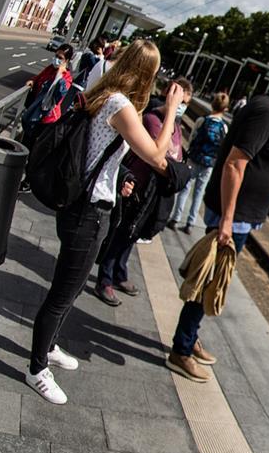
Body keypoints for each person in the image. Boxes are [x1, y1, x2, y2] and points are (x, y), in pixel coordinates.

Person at [26, 40, 186, 405]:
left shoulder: (108, 94)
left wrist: (121, 176)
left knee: (74, 285)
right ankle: (36, 368)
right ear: (147, 73)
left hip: (87, 206)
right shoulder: (122, 105)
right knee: (63, 294)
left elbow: (101, 151)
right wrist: (172, 110)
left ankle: (48, 347)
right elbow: (157, 153)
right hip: (87, 213)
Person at [166, 61, 269, 382]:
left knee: (213, 278)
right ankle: (180, 349)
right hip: (232, 219)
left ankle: (190, 338)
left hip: (238, 217)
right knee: (210, 279)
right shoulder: (265, 112)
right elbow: (235, 165)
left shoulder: (267, 109)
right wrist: (227, 217)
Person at [94, 77, 193, 307]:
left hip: (154, 192)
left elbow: (174, 156)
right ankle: (105, 279)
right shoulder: (152, 120)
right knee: (121, 234)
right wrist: (177, 170)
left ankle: (119, 273)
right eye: (179, 101)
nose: (181, 107)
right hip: (138, 187)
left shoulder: (175, 125)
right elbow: (160, 158)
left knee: (133, 234)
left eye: (185, 103)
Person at [168, 92, 230, 234]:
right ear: (225, 109)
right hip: (209, 164)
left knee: (185, 189)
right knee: (199, 193)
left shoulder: (202, 120)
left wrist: (189, 154)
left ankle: (175, 219)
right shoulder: (224, 128)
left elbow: (192, 138)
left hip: (194, 159)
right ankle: (190, 223)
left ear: (212, 104)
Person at [19, 44, 74, 193]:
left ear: (67, 61)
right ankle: (18, 175)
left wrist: (60, 75)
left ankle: (28, 182)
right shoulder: (50, 69)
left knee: (36, 152)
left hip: (47, 120)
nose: (56, 59)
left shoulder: (66, 77)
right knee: (26, 145)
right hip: (36, 117)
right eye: (56, 55)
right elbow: (40, 78)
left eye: (60, 58)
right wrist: (33, 81)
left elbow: (59, 94)